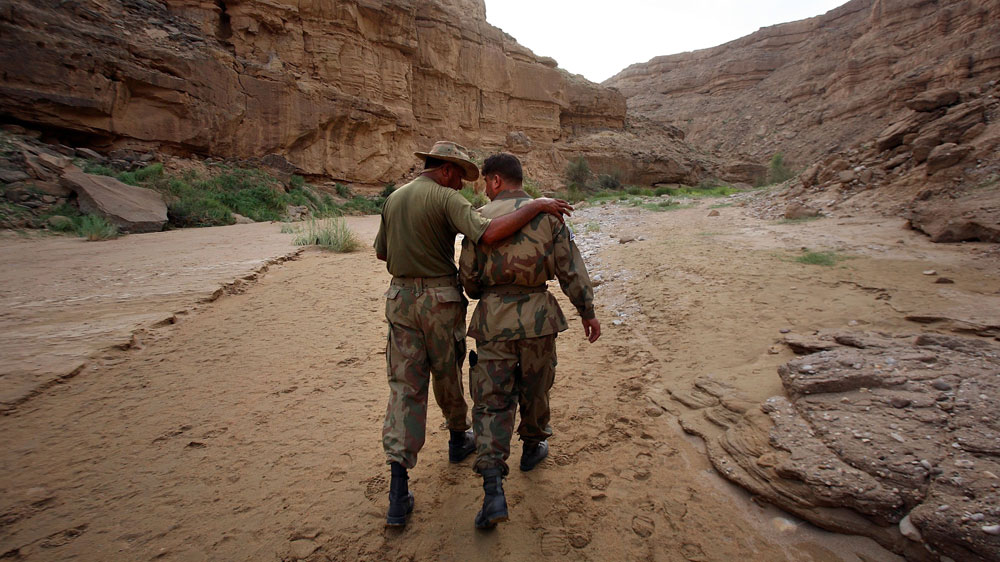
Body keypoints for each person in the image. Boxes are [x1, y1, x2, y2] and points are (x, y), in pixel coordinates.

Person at [374, 141, 573, 527]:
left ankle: (398, 493)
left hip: (398, 299)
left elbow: (383, 253)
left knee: (404, 386)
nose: (463, 185)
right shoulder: (446, 200)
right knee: (448, 374)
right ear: (447, 170)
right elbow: (488, 232)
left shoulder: (394, 199)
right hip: (440, 301)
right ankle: (456, 438)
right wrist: (536, 204)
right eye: (460, 176)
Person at [458, 152, 600, 529]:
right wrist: (587, 310)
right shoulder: (549, 216)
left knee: (491, 400)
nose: (485, 189)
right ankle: (533, 446)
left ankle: (492, 489)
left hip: (493, 322)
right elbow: (571, 268)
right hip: (539, 319)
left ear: (496, 181)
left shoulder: (479, 219)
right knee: (537, 387)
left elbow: (469, 282)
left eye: (485, 182)